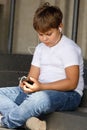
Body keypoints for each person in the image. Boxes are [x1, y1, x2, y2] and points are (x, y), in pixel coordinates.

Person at [0, 2, 84, 130]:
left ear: (60, 26)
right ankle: (28, 121)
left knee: (39, 98)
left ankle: (6, 122)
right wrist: (26, 83)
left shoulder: (69, 48)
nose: (44, 38)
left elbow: (72, 83)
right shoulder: (40, 48)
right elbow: (33, 76)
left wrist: (42, 87)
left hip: (68, 95)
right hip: (40, 90)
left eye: (49, 34)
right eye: (40, 34)